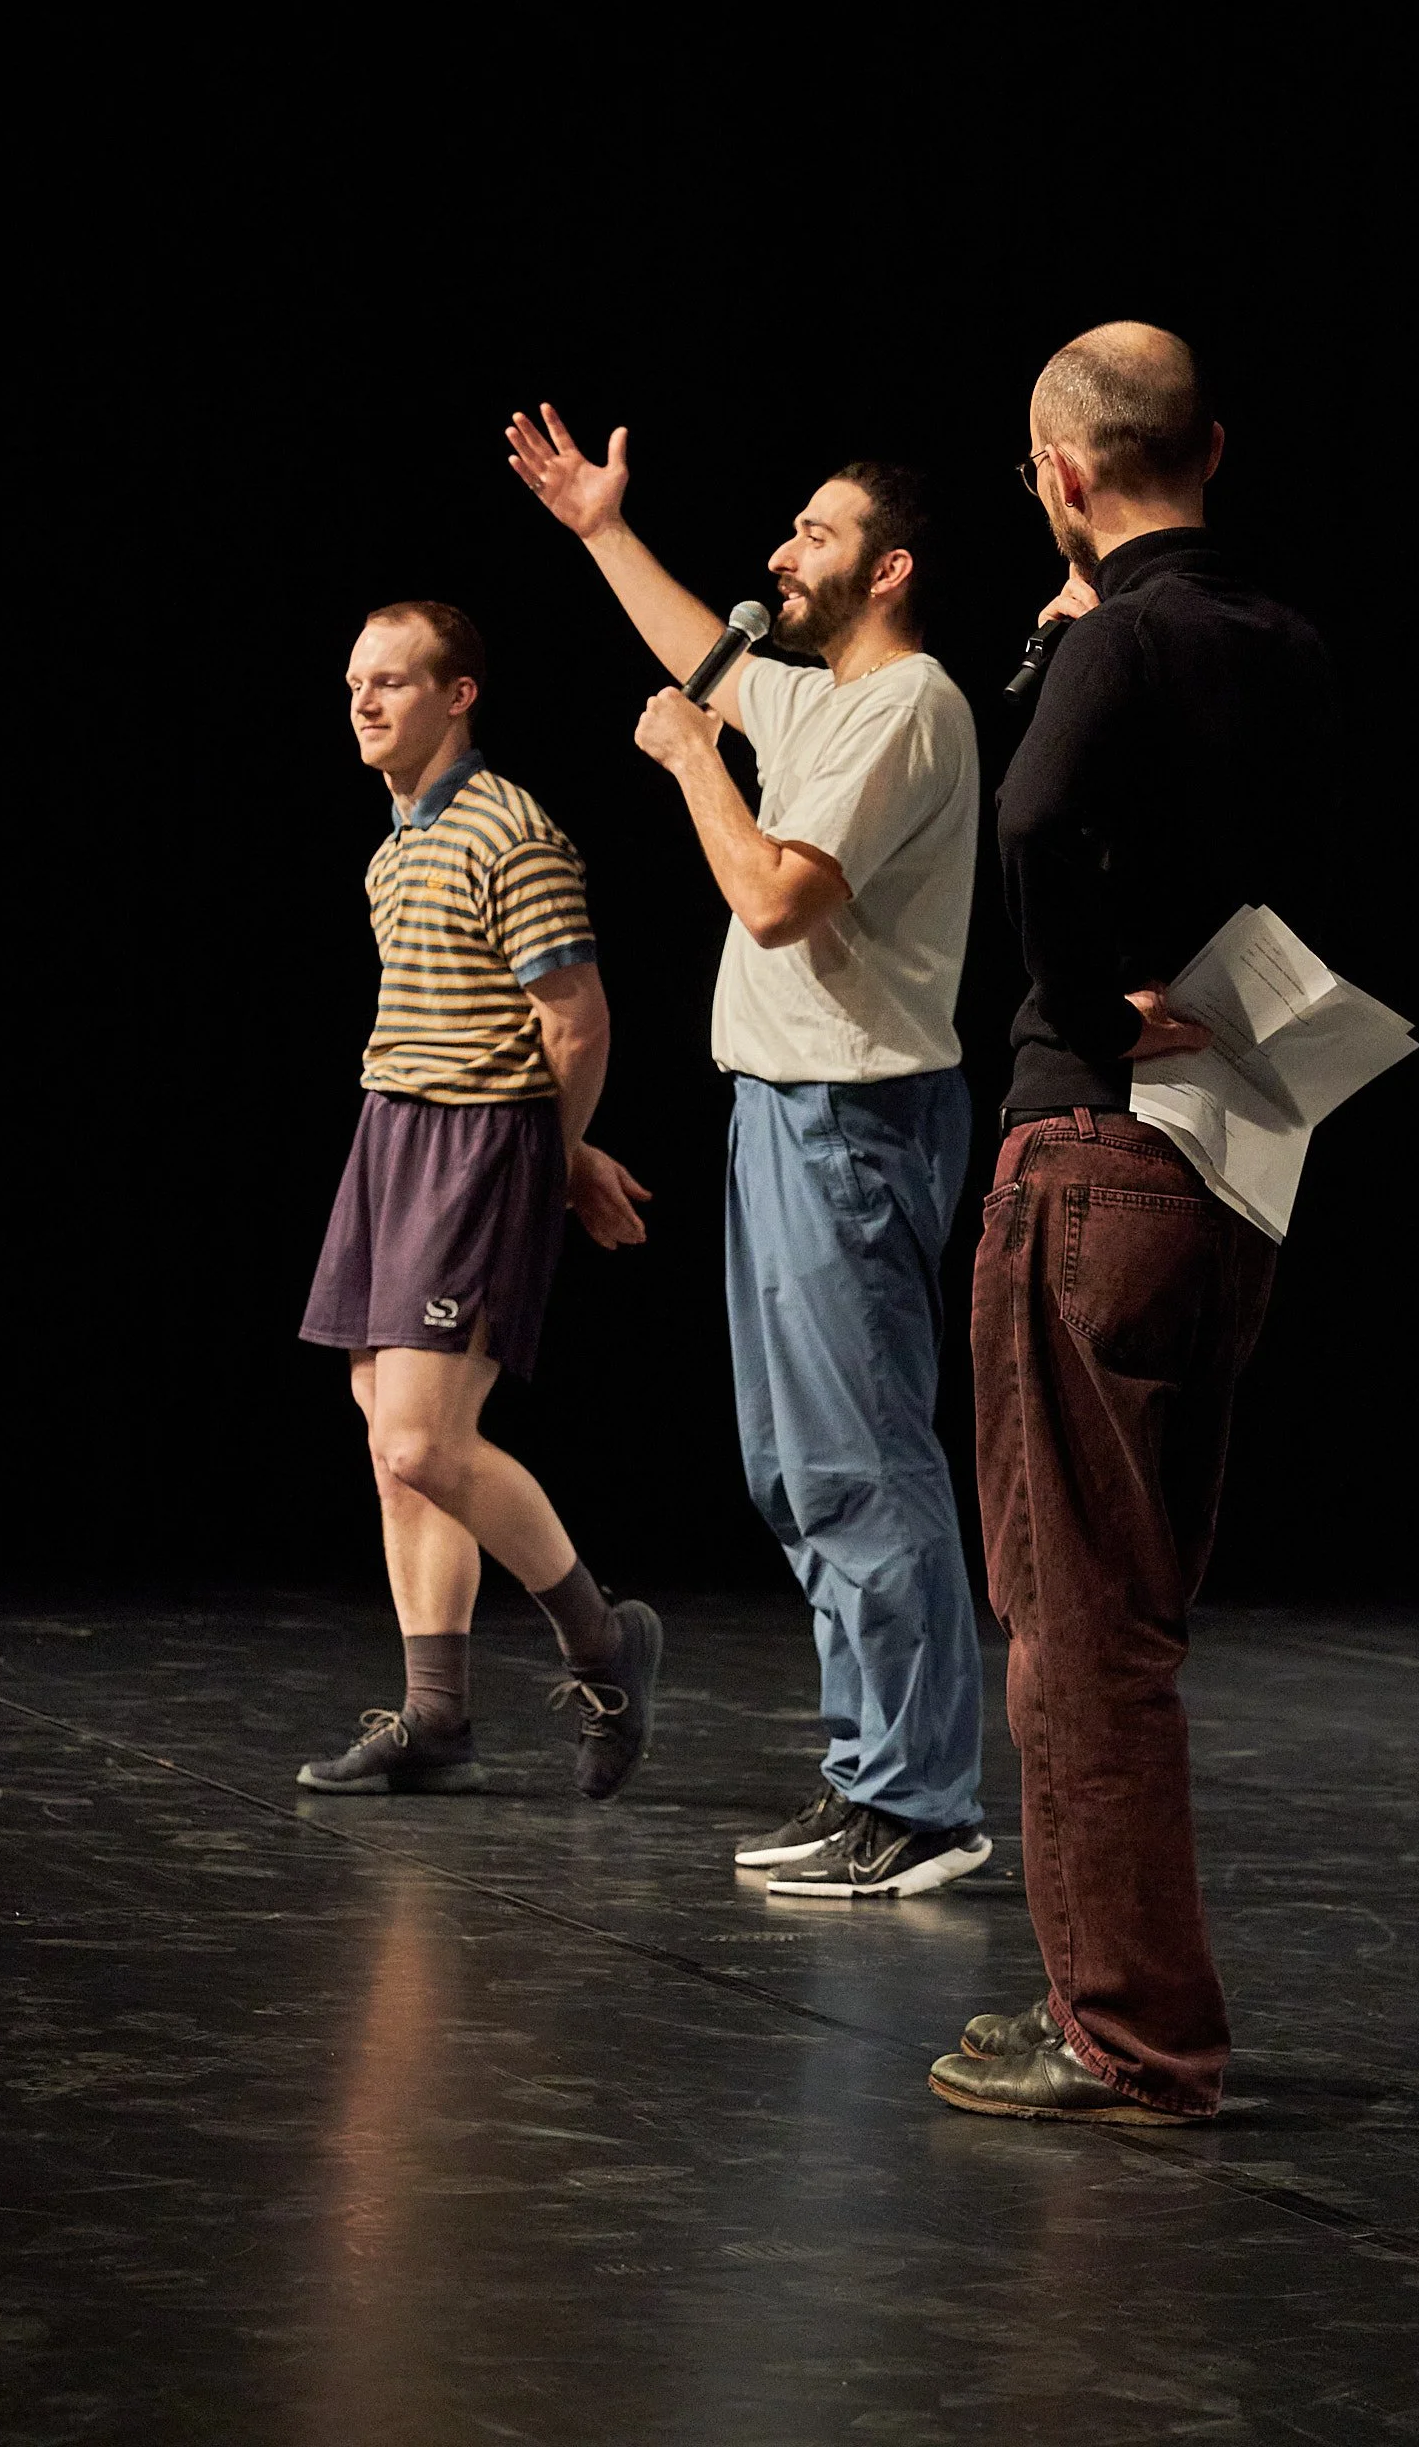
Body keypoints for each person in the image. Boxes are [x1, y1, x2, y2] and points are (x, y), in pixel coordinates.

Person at [928, 324, 1338, 2118]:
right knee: (1133, 1604)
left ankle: (1123, 2033)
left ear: (1063, 473)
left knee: (1074, 1616)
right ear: (1215, 448)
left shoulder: (1124, 639)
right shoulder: (1281, 645)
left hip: (1087, 1149)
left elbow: (1026, 817)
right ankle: (1136, 2008)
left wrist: (1086, 1006)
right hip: (1237, 1148)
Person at [506, 407, 990, 1897]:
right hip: (786, 1110)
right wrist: (599, 528)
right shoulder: (824, 700)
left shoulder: (908, 704)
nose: (781, 552)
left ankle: (918, 1803)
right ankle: (869, 1777)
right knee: (798, 1470)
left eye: (815, 533)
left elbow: (778, 899)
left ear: (888, 568)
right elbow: (701, 662)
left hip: (853, 1120)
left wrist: (689, 764)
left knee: (861, 1466)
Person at [296, 599, 662, 1801]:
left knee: (422, 1435)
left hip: (473, 1146)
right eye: (356, 680)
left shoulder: (513, 834)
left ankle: (606, 1643)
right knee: (392, 1451)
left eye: (392, 680)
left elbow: (576, 1020)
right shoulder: (395, 847)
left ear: (458, 695)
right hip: (389, 1132)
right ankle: (436, 1718)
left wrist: (551, 1152)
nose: (364, 700)